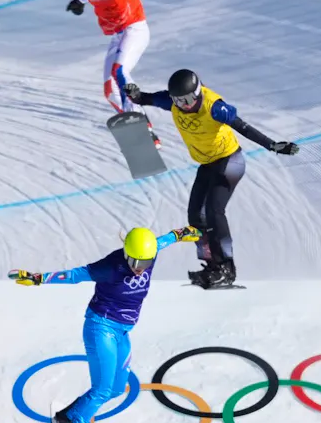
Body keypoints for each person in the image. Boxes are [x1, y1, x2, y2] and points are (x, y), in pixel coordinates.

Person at [8, 225, 201, 423]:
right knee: (101, 389)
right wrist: (37, 279)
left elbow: (163, 240)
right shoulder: (110, 267)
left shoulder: (149, 252)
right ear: (126, 252)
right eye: (134, 261)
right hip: (101, 328)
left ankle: (68, 416)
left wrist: (179, 234)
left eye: (145, 263)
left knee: (117, 388)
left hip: (122, 331)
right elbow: (74, 275)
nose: (139, 268)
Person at [125, 69, 300, 288]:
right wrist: (133, 93)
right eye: (178, 100)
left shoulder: (214, 107)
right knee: (195, 216)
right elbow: (144, 99)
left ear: (198, 93)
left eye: (188, 99)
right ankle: (213, 265)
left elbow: (242, 127)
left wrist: (272, 145)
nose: (183, 104)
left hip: (230, 161)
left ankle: (227, 268)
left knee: (214, 210)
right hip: (208, 164)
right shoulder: (174, 102)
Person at [67, 0, 198, 149]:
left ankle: (143, 126)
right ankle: (140, 128)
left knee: (119, 71)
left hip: (135, 28)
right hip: (118, 35)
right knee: (110, 90)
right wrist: (79, 1)